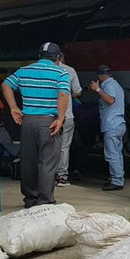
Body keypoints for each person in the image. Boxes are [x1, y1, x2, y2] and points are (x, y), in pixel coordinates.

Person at [2, 42, 69, 208]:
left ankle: (30, 199)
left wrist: (13, 108)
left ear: (39, 56)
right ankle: (45, 201)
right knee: (47, 162)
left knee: (28, 161)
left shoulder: (24, 71)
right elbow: (62, 94)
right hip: (49, 121)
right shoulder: (61, 72)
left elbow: (6, 84)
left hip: (28, 121)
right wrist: (60, 118)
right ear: (58, 58)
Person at [90, 65, 126, 191]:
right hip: (118, 123)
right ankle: (118, 178)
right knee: (117, 153)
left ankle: (116, 181)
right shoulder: (116, 85)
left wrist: (97, 89)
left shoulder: (108, 86)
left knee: (112, 154)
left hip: (112, 124)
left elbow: (110, 100)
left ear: (100, 76)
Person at [56, 53, 82, 187]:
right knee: (64, 147)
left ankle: (48, 176)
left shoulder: (39, 69)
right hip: (66, 115)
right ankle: (62, 177)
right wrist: (67, 95)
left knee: (48, 146)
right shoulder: (69, 70)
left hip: (48, 116)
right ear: (60, 57)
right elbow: (78, 91)